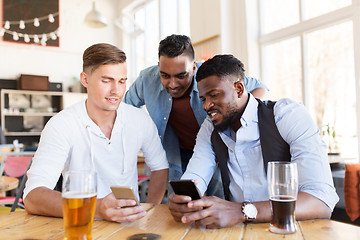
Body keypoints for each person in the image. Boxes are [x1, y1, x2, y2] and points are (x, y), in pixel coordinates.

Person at [168, 54, 339, 229]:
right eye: (203, 99)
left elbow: (321, 201)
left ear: (239, 89)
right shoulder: (210, 127)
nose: (206, 106)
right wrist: (184, 202)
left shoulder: (287, 115)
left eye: (214, 95)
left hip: (294, 230)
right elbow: (195, 177)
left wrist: (241, 211)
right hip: (241, 233)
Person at [23, 43, 169, 222]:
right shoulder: (61, 125)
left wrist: (148, 211)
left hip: (129, 226)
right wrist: (97, 209)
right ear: (85, 80)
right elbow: (32, 197)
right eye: (106, 81)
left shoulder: (139, 120)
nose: (116, 90)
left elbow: (160, 167)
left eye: (122, 81)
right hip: (81, 224)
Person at [123, 35, 268, 193]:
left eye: (181, 76)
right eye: (165, 75)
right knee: (181, 200)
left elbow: (259, 87)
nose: (172, 84)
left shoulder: (211, 77)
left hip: (214, 148)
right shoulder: (146, 80)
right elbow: (123, 109)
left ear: (193, 67)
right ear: (158, 67)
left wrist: (235, 121)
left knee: (219, 199)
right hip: (176, 153)